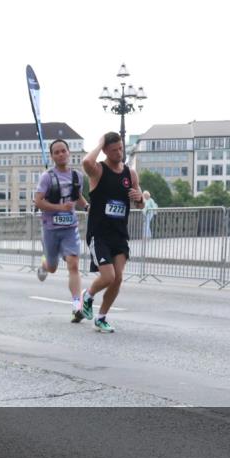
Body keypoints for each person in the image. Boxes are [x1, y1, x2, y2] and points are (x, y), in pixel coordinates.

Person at [80, 132, 144, 333]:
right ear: (106, 150)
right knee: (107, 277)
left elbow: (140, 204)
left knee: (117, 279)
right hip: (99, 233)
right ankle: (88, 296)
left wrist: (139, 197)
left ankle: (101, 317)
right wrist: (99, 142)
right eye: (114, 150)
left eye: (121, 149)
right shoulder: (98, 170)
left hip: (119, 233)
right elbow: (86, 161)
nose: (119, 153)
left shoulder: (130, 174)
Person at [34, 139, 88, 322]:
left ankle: (76, 306)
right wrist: (59, 208)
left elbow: (77, 196)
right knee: (53, 267)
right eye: (56, 152)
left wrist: (87, 206)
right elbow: (38, 202)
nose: (60, 154)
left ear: (68, 152)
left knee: (73, 264)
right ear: (52, 156)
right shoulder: (47, 177)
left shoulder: (77, 176)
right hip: (51, 228)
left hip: (70, 228)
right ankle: (44, 264)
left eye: (63, 151)